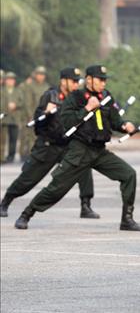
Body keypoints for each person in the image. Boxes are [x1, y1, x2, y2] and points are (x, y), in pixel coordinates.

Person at [13, 65, 140, 231]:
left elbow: (115, 120)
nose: (103, 83)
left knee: (129, 174)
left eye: (105, 80)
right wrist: (87, 108)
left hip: (99, 151)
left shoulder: (106, 96)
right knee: (56, 189)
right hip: (79, 151)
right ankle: (27, 214)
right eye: (100, 80)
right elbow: (67, 122)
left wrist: (125, 126)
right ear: (89, 80)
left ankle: (127, 219)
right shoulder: (76, 97)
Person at [0, 68, 98, 219]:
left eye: (77, 82)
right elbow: (37, 124)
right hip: (48, 145)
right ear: (63, 81)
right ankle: (6, 201)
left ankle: (86, 205)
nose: (76, 85)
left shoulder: (79, 98)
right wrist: (45, 114)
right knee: (28, 179)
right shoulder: (50, 96)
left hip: (68, 144)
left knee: (84, 166)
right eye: (73, 81)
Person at [19, 66, 49, 161]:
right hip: (32, 115)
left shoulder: (46, 86)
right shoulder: (30, 86)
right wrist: (30, 115)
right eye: (39, 74)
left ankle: (39, 155)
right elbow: (28, 103)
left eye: (42, 74)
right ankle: (29, 156)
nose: (41, 76)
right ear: (35, 75)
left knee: (41, 136)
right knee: (30, 136)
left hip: (43, 115)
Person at [1, 72, 22, 163]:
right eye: (8, 79)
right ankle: (1, 156)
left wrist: (16, 105)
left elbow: (22, 102)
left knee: (13, 138)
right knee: (2, 139)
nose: (10, 81)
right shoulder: (2, 90)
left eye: (12, 79)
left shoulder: (18, 91)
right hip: (4, 118)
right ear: (5, 81)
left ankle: (11, 155)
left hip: (14, 118)